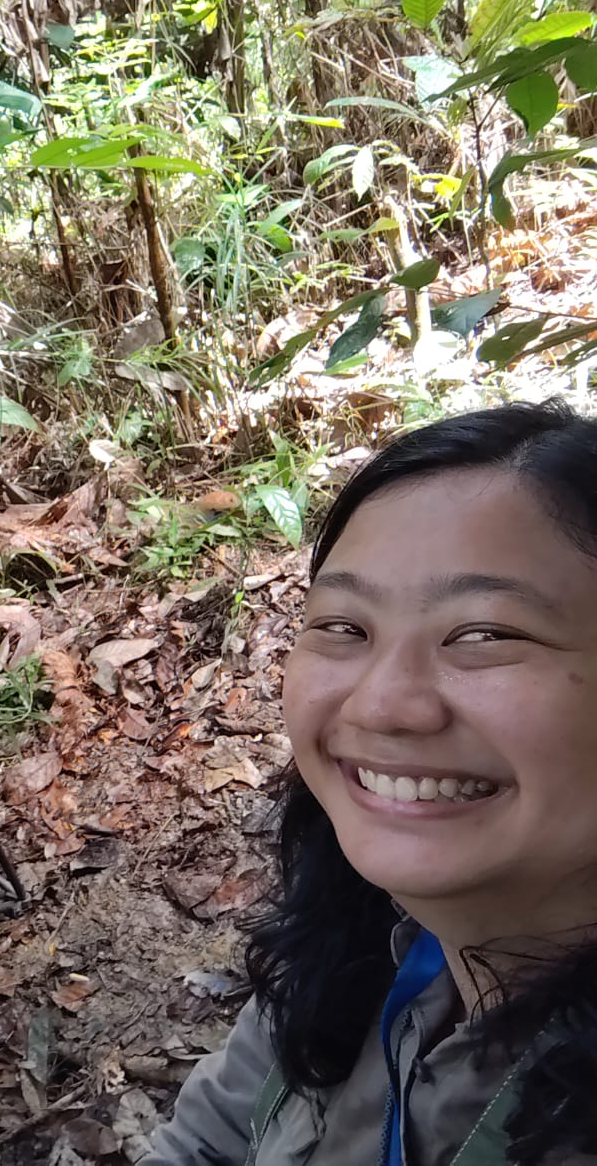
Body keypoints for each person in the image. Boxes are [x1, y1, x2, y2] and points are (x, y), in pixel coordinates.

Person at [146, 400, 597, 1165]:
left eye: (484, 633)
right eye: (344, 628)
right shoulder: (361, 933)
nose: (383, 704)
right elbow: (210, 1138)